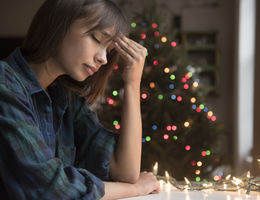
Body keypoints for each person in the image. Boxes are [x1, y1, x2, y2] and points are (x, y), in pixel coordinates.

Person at [0, 0, 160, 199]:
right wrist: (135, 190)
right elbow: (49, 188)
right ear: (59, 23)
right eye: (96, 38)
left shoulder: (65, 98)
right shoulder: (5, 86)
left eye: (109, 50)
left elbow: (125, 172)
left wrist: (132, 85)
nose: (103, 58)